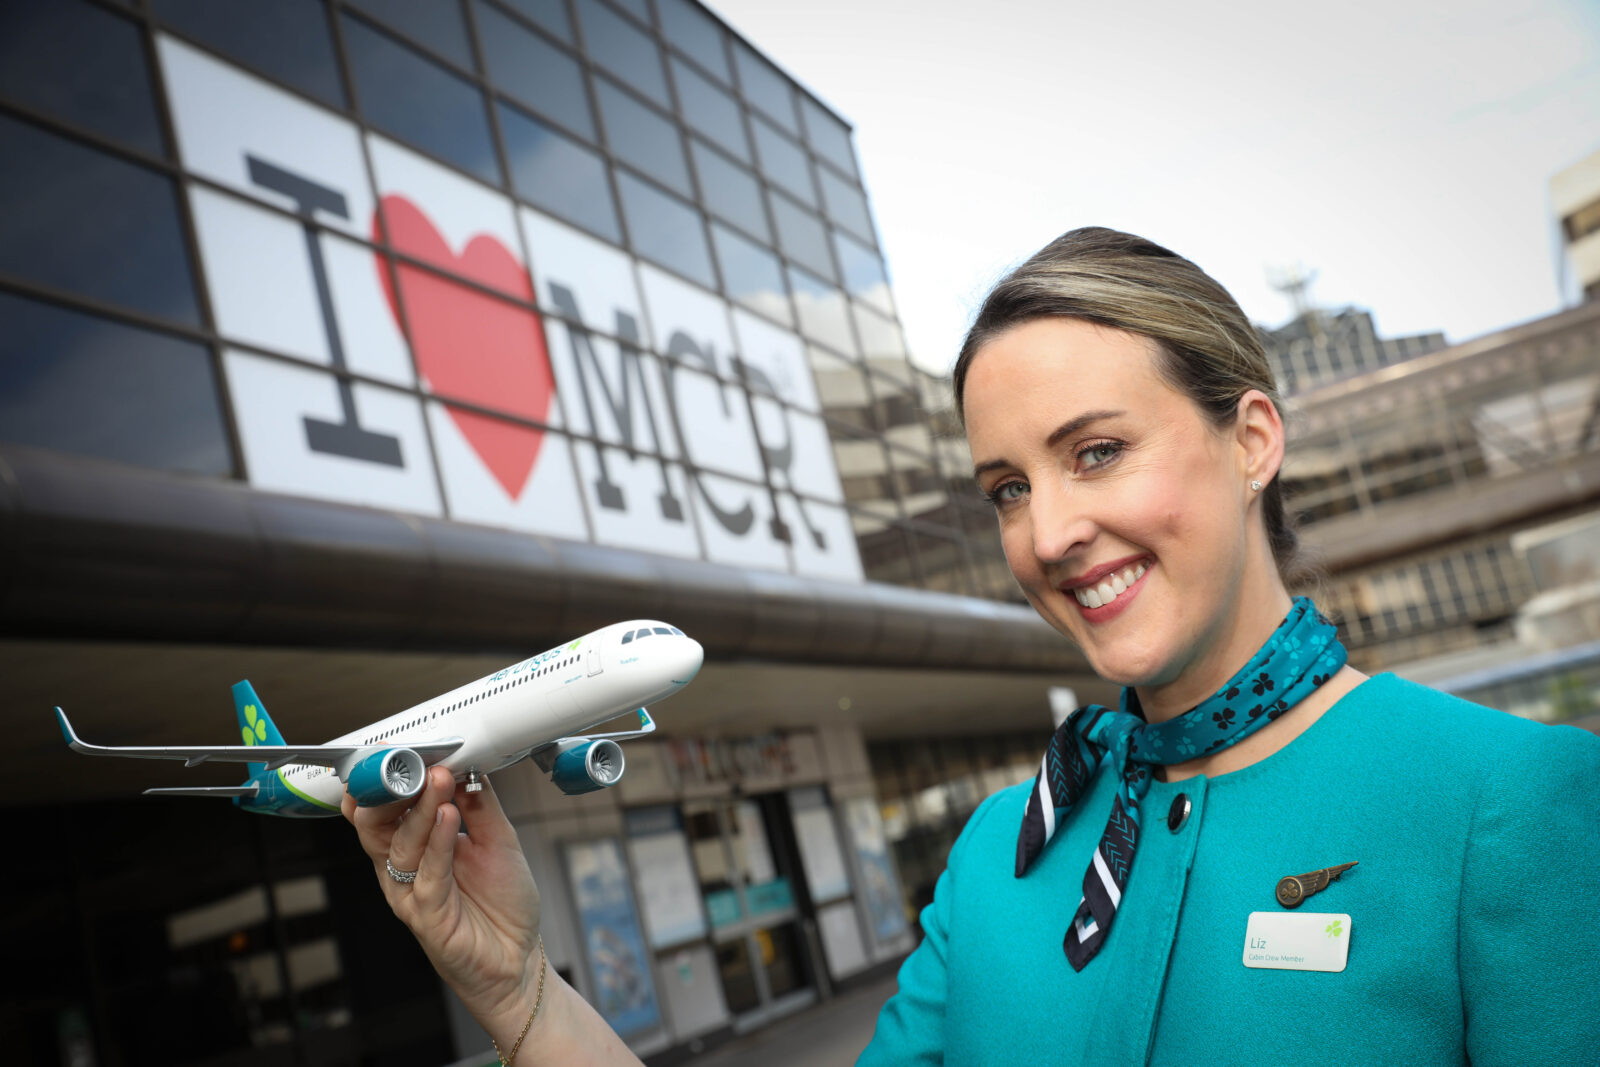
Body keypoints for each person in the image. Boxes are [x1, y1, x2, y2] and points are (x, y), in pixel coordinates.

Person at [345, 227, 1600, 1065]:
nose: (1050, 530)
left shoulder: (1512, 802)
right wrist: (517, 989)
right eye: (1006, 486)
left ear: (1251, 436)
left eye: (1095, 450)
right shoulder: (1003, 851)